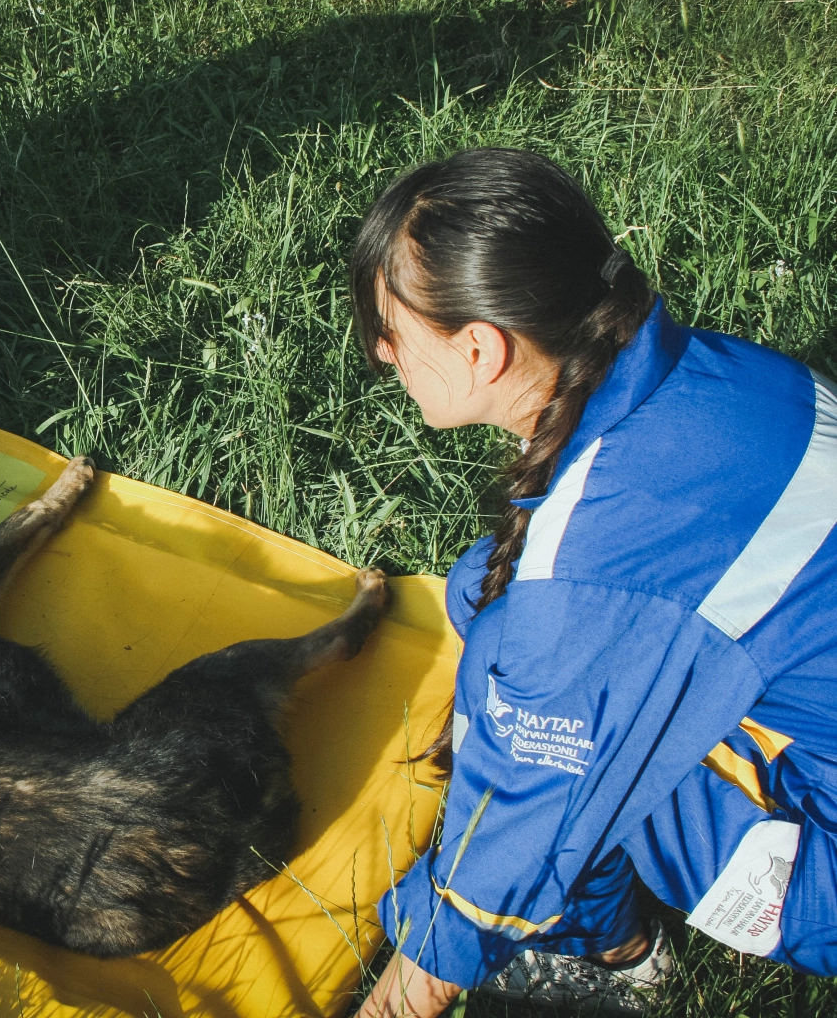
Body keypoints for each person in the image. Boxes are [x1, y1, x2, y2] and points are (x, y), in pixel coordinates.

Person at [347, 148, 836, 1016]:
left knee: (569, 784)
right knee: (484, 601)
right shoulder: (718, 373)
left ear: (480, 348)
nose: (384, 358)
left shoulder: (592, 574)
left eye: (393, 332)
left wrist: (403, 988)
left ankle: (614, 956)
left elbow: (518, 822)